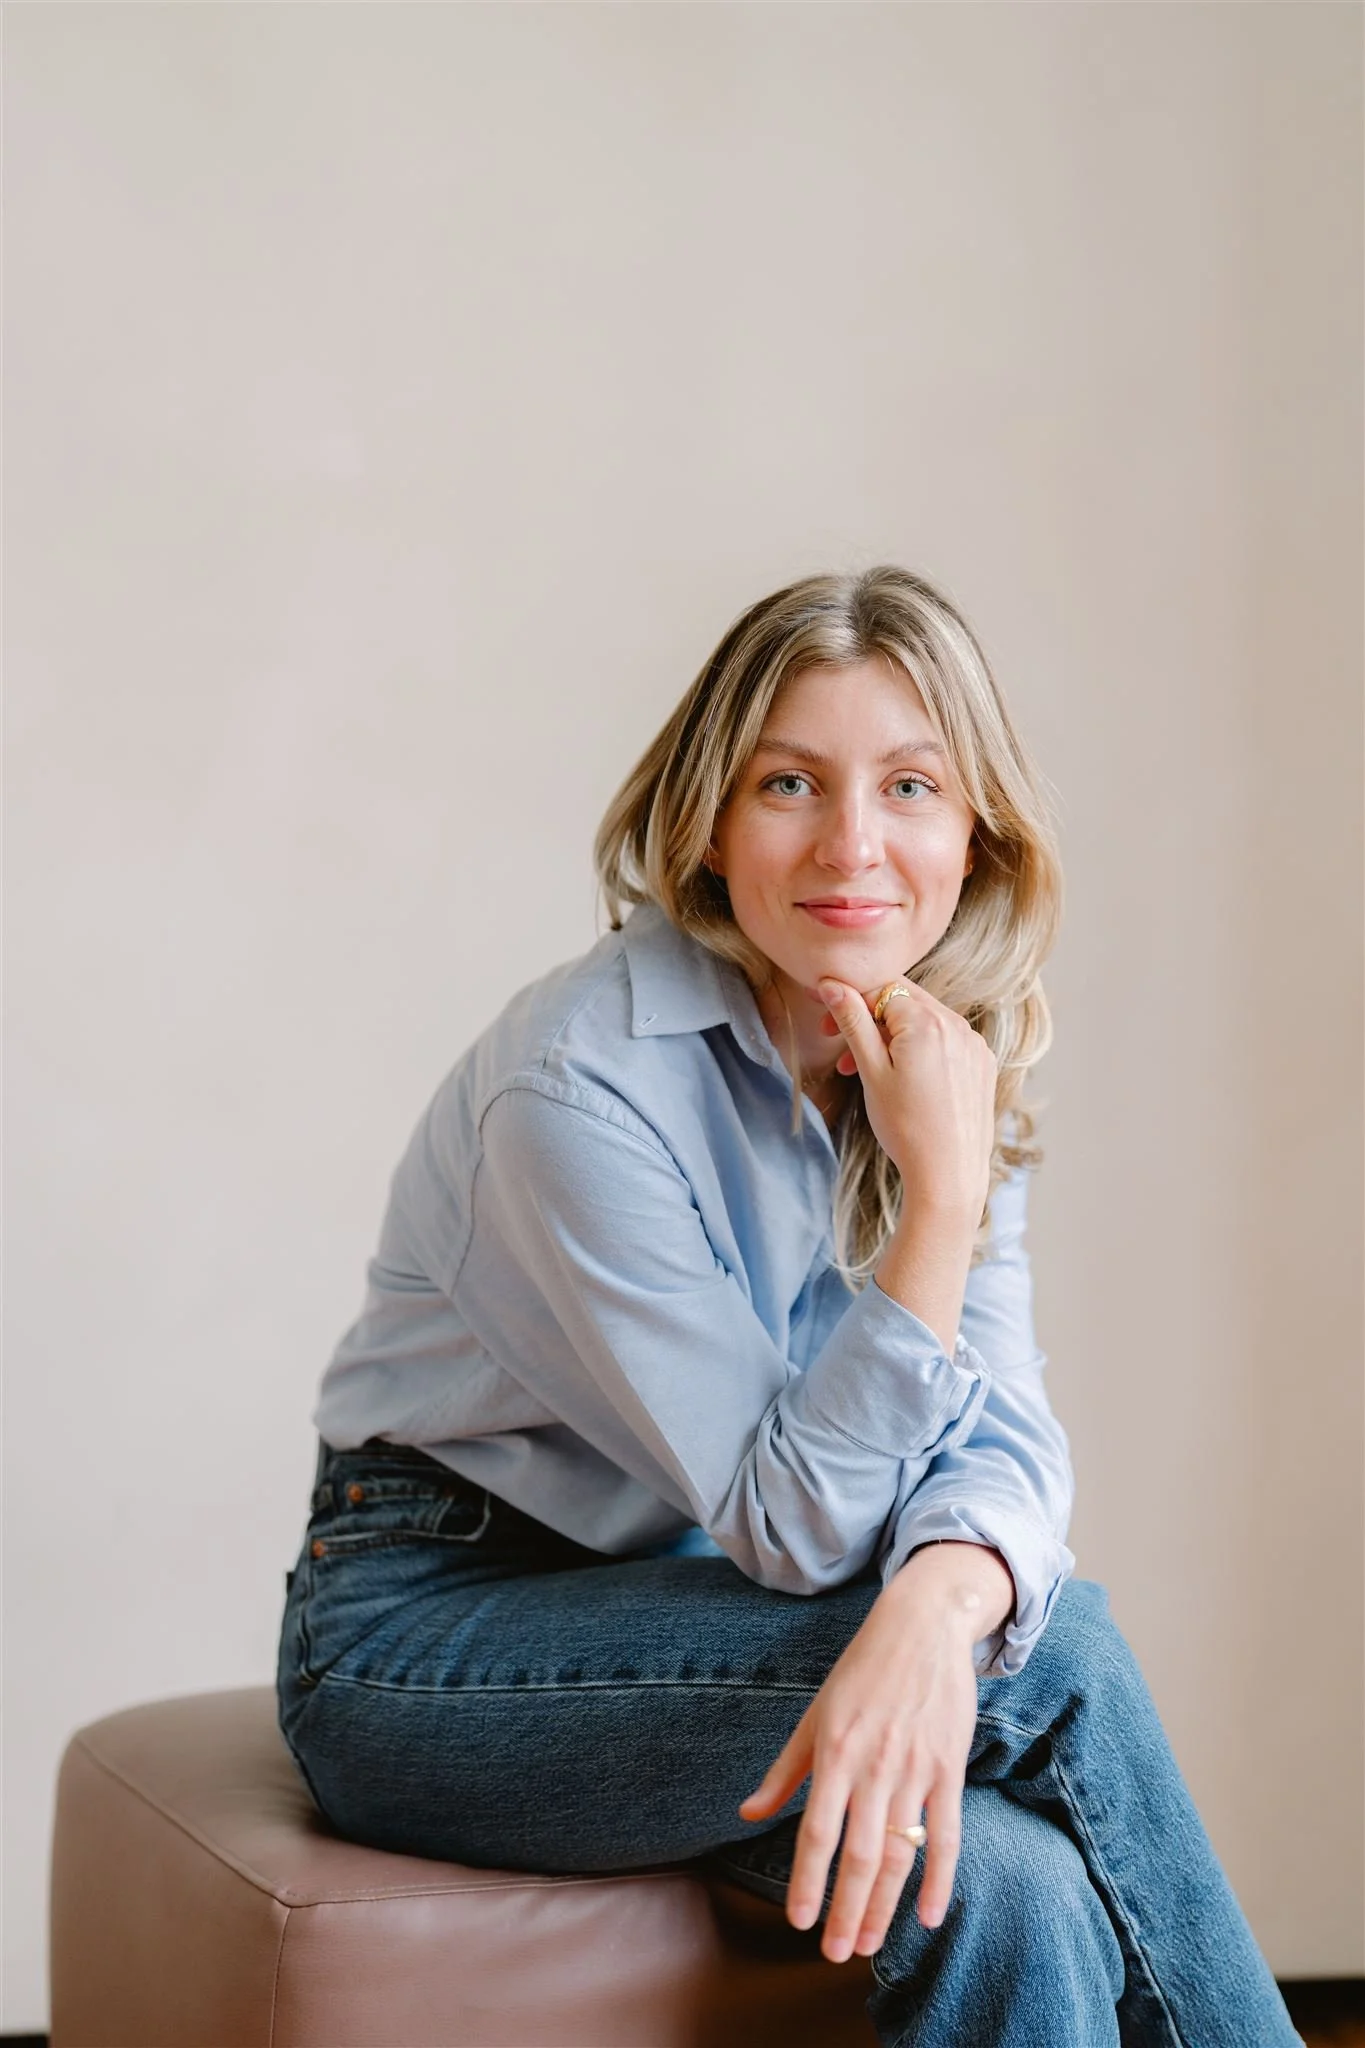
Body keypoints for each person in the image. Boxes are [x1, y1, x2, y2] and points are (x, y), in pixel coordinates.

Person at [276, 566, 1301, 2046]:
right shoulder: (576, 1088)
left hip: (722, 1622)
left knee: (1007, 1880)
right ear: (708, 817)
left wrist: (940, 1604)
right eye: (790, 784)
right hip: (430, 1644)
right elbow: (803, 1523)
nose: (852, 845)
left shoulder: (944, 1051)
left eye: (907, 787)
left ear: (976, 834)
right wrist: (937, 1209)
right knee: (1055, 1651)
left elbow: (1008, 1443)